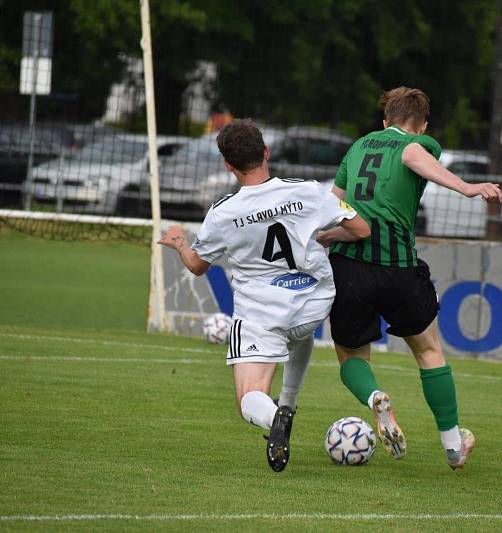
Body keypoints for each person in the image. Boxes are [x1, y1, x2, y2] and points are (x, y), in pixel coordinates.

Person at [158, 119, 370, 472]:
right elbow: (361, 229)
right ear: (266, 152)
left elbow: (197, 266)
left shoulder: (223, 213)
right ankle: (288, 403)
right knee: (297, 333)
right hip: (314, 302)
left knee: (247, 398)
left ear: (228, 165)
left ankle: (275, 418)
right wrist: (324, 234)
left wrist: (180, 243)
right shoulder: (307, 191)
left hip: (263, 313)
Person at [317, 87, 502, 470]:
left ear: (384, 120)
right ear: (422, 124)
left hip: (349, 266)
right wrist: (469, 188)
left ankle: (375, 400)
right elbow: (412, 153)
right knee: (429, 350)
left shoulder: (357, 148)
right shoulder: (418, 143)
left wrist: (323, 240)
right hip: (399, 268)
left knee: (350, 355)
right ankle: (453, 446)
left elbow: (332, 205)